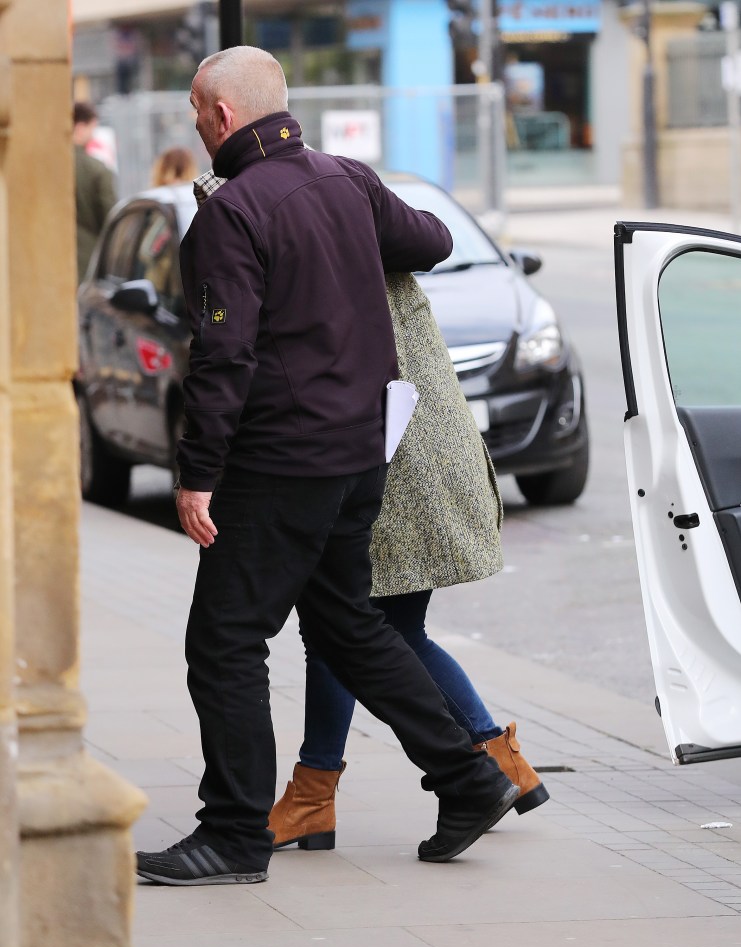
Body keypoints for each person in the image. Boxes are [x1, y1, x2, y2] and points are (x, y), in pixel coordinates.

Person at [135, 46, 519, 887]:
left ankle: (234, 834)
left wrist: (196, 473)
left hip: (281, 462)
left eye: (198, 112)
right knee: (349, 624)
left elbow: (223, 355)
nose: (197, 127)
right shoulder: (345, 180)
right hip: (360, 455)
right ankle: (467, 775)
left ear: (223, 116)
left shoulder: (231, 214)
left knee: (226, 641)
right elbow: (431, 238)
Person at [269, 272, 550, 850]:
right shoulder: (367, 225)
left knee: (338, 631)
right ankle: (499, 763)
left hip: (393, 462)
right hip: (423, 447)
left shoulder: (327, 233)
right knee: (385, 630)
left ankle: (313, 797)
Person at [72, 102, 117, 282]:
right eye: (92, 129)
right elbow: (110, 219)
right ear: (81, 127)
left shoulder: (48, 165)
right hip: (88, 262)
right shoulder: (97, 170)